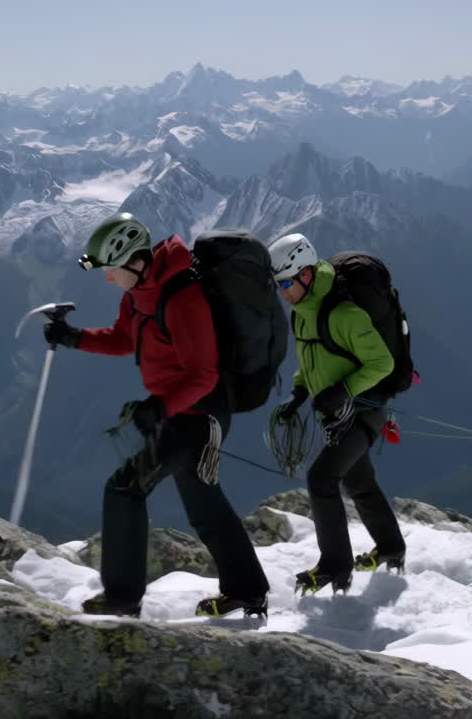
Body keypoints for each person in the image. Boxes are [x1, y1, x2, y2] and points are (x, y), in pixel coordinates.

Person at [43, 212, 270, 617]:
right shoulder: (139, 293)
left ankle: (122, 598)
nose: (108, 279)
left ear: (135, 261)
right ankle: (248, 590)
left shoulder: (183, 298)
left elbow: (203, 374)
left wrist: (159, 406)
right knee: (203, 503)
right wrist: (72, 337)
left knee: (125, 487)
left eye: (112, 269)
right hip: (177, 409)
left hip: (202, 413)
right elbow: (123, 339)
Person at [265, 232, 406, 595]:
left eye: (286, 283)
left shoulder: (344, 314)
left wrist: (342, 391)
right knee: (358, 481)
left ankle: (335, 567)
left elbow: (382, 362)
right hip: (338, 412)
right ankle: (391, 547)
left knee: (321, 478)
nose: (283, 292)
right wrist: (299, 393)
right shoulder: (302, 315)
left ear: (307, 275)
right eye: (278, 284)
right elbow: (310, 362)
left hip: (364, 409)